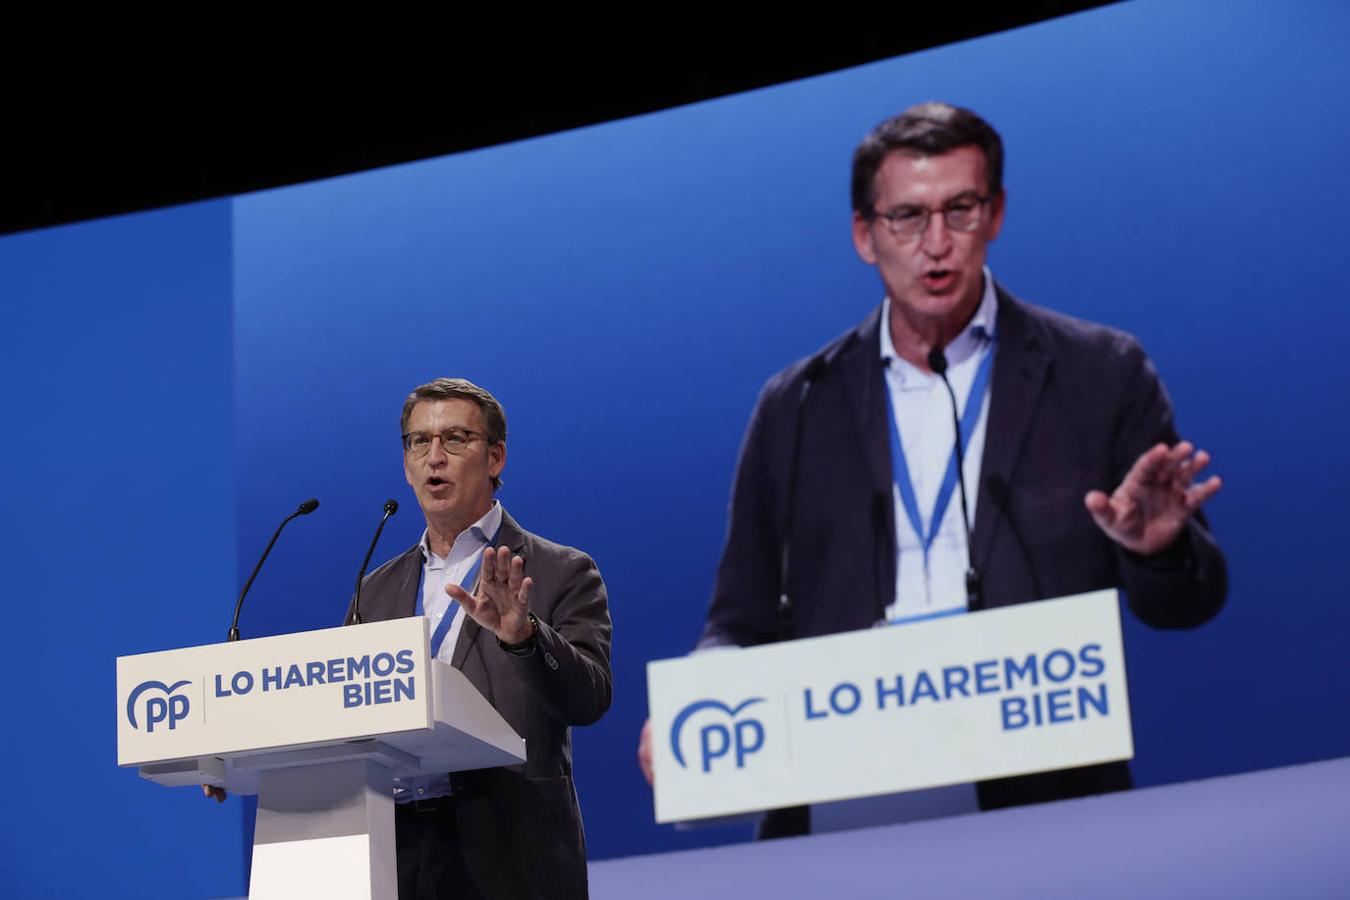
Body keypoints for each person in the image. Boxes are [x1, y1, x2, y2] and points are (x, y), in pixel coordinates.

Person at [638, 102, 1226, 833]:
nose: (937, 244)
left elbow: (1189, 604)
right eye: (907, 218)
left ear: (998, 213)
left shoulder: (1100, 374)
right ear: (864, 234)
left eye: (961, 209)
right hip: (844, 798)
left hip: (1047, 799)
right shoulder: (797, 405)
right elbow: (740, 618)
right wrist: (701, 701)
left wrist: (1159, 549)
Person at [355, 377, 612, 899]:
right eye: (418, 441)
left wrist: (524, 636)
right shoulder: (374, 591)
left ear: (495, 458)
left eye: (455, 439)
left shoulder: (562, 571)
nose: (434, 457)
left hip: (510, 851)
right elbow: (343, 709)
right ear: (405, 465)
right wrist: (236, 760)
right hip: (397, 852)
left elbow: (589, 699)